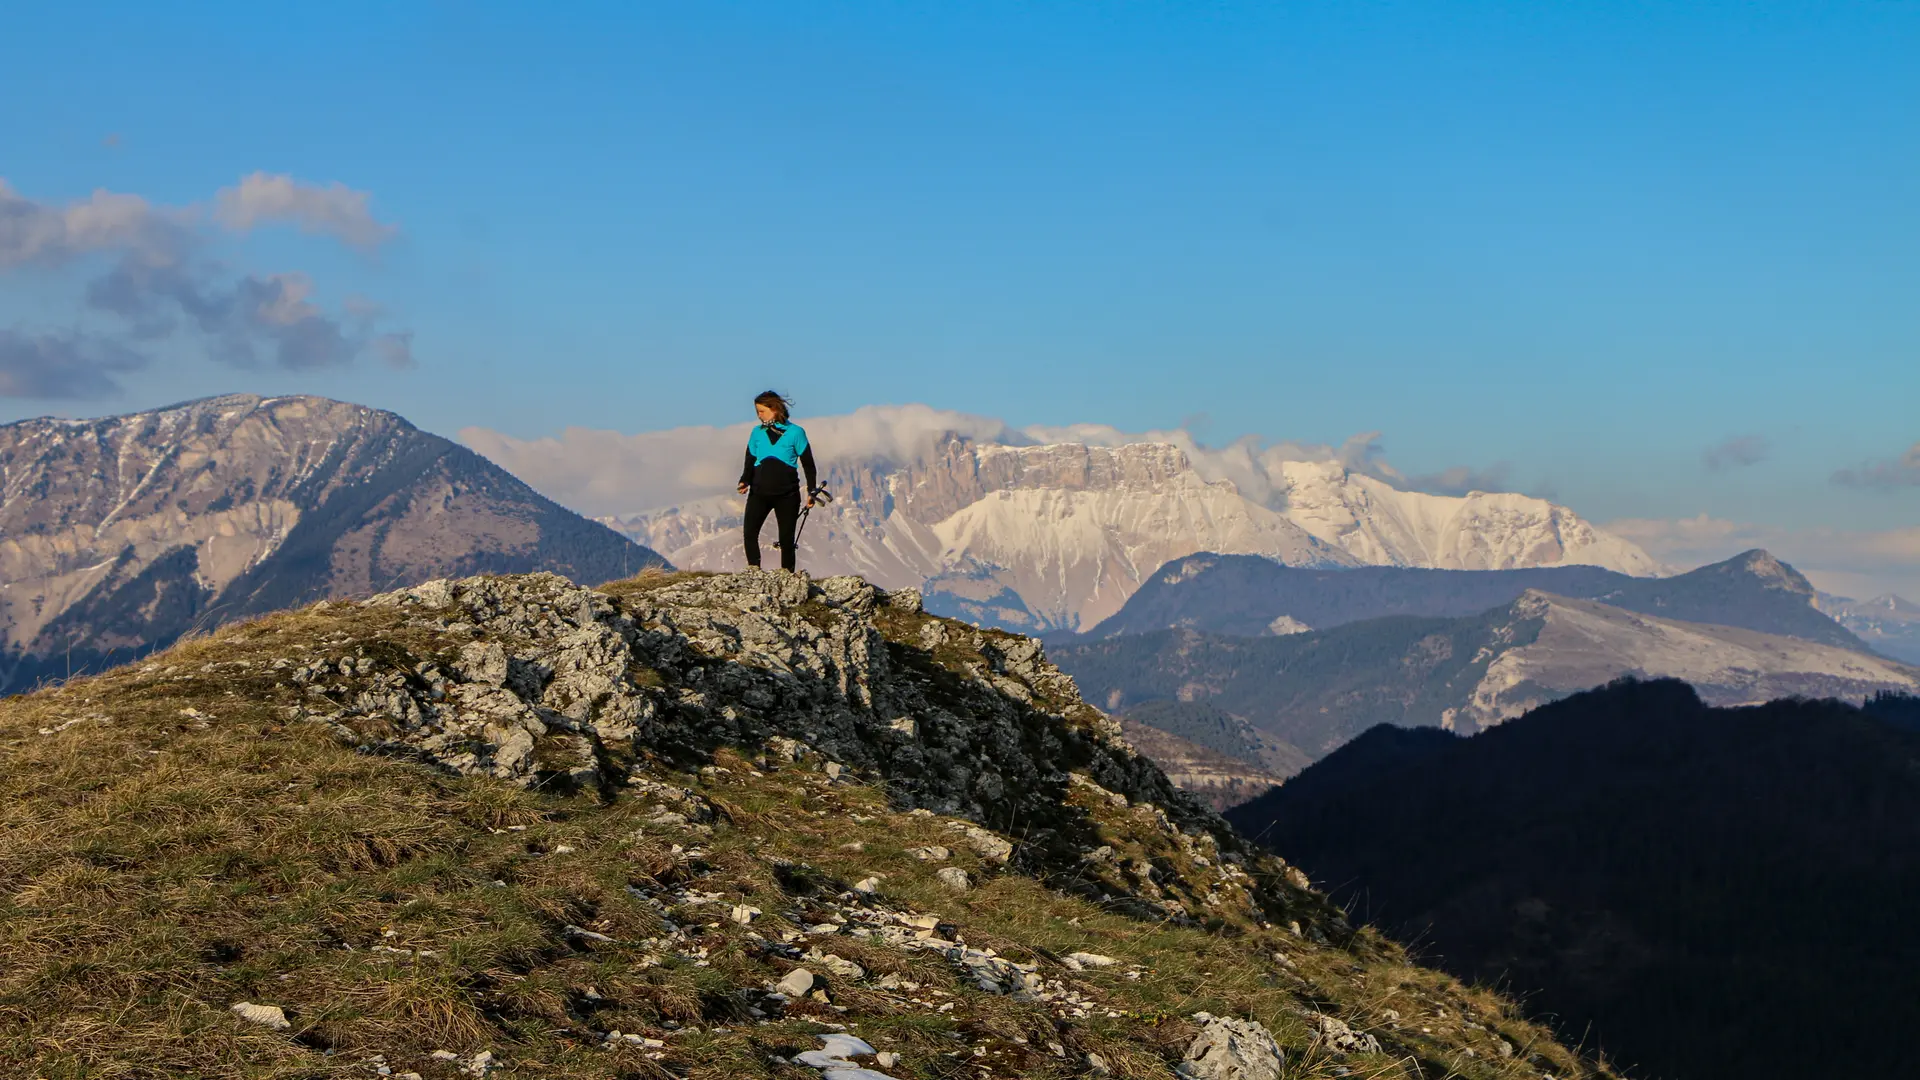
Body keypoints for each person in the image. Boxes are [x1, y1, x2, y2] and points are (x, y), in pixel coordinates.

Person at [737, 390, 818, 572]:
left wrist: (811, 491)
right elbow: (750, 460)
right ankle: (754, 571)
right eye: (757, 412)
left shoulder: (796, 432)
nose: (759, 416)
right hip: (759, 493)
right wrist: (745, 480)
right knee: (749, 533)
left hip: (787, 495)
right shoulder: (756, 433)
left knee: (787, 539)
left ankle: (787, 576)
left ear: (774, 409)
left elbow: (809, 465)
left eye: (762, 411)